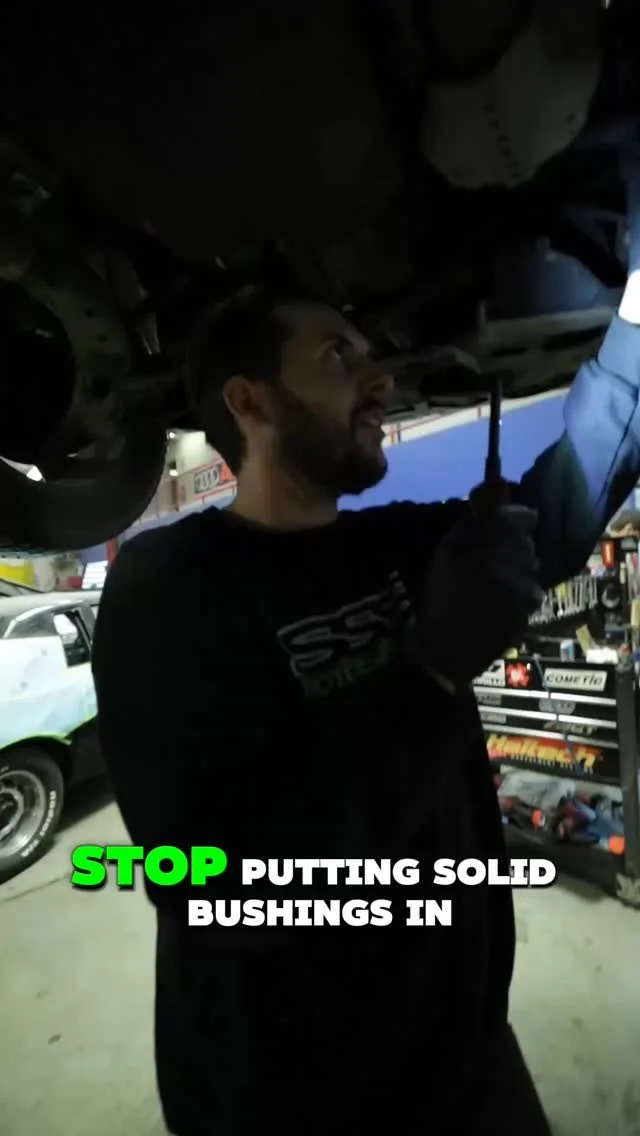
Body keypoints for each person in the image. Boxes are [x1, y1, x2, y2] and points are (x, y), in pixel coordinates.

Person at [92, 201, 640, 1132]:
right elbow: (216, 882)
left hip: (468, 1053)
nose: (381, 377)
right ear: (249, 402)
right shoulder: (170, 585)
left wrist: (632, 329)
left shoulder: (388, 546)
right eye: (337, 356)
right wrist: (430, 674)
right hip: (293, 1102)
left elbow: (551, 514)